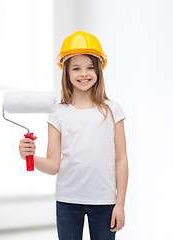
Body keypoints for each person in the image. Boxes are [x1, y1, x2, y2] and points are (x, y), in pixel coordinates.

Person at [19, 30, 129, 240]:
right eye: (76, 68)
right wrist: (29, 156)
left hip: (105, 201)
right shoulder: (58, 113)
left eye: (90, 67)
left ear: (98, 71)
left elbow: (121, 159)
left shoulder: (113, 110)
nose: (84, 73)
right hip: (68, 201)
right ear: (66, 73)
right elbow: (53, 166)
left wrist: (120, 204)